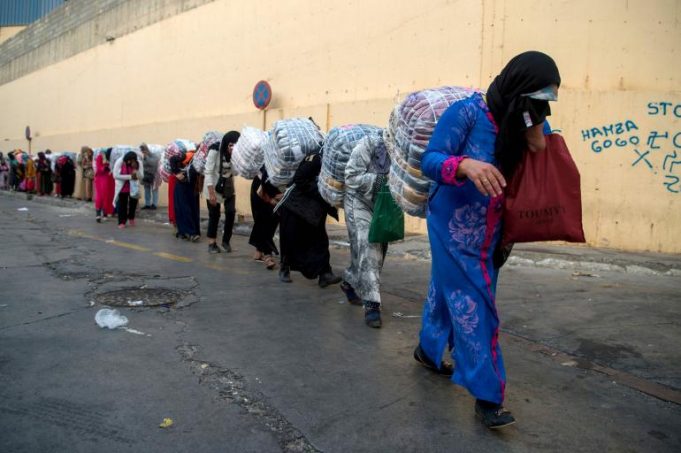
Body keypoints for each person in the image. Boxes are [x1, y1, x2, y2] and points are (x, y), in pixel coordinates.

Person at [414, 51, 560, 429]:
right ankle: (488, 396)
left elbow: (540, 151)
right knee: (474, 303)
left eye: (547, 101)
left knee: (445, 288)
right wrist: (464, 164)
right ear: (516, 86)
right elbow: (430, 159)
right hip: (451, 225)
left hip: (495, 231)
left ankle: (428, 351)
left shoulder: (524, 117)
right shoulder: (466, 113)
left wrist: (532, 123)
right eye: (538, 98)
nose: (541, 106)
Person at [340, 135, 391, 328]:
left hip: (383, 203)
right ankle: (372, 306)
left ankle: (349, 281)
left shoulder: (405, 151)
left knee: (378, 252)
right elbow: (351, 176)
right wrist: (381, 180)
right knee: (369, 246)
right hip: (358, 200)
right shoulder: (369, 144)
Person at [278, 153, 342, 287]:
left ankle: (325, 274)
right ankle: (284, 268)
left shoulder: (338, 165)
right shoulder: (315, 158)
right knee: (291, 240)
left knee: (320, 240)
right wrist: (322, 191)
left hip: (316, 209)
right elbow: (300, 179)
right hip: (296, 206)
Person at [203, 131, 238, 253]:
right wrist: (211, 194)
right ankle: (211, 244)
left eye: (235, 145)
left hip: (228, 187)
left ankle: (226, 241)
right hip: (212, 187)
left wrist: (236, 159)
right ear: (226, 144)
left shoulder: (236, 154)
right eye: (230, 145)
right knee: (214, 215)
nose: (232, 148)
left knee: (231, 212)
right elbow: (208, 172)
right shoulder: (215, 150)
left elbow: (236, 172)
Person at [249, 166, 280, 269]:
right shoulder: (274, 158)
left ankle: (259, 252)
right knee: (265, 219)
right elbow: (261, 186)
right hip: (262, 187)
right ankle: (268, 255)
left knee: (268, 220)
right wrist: (270, 199)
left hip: (271, 185)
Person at [170, 145, 201, 241]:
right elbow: (172, 159)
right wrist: (177, 173)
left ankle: (193, 231)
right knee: (184, 209)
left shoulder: (201, 161)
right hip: (182, 186)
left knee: (193, 209)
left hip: (192, 187)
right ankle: (189, 232)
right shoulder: (189, 155)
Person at [113, 151, 143, 229]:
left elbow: (141, 176)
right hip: (123, 186)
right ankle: (122, 221)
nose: (130, 163)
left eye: (132, 161)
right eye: (129, 161)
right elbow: (115, 175)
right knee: (122, 204)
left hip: (133, 187)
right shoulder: (120, 161)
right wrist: (129, 177)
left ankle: (131, 217)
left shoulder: (138, 163)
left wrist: (136, 170)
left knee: (133, 203)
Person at [94, 148, 115, 222]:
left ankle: (105, 213)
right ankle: (98, 213)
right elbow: (98, 167)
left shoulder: (112, 158)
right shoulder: (100, 157)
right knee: (100, 196)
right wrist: (104, 168)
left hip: (109, 178)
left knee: (108, 196)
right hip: (101, 178)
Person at [139, 143, 160, 210]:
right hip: (146, 175)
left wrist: (146, 157)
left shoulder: (154, 155)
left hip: (154, 175)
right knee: (146, 190)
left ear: (147, 150)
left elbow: (153, 163)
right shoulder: (143, 156)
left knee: (154, 190)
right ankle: (147, 204)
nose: (143, 152)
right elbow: (142, 165)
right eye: (142, 150)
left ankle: (154, 204)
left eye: (144, 150)